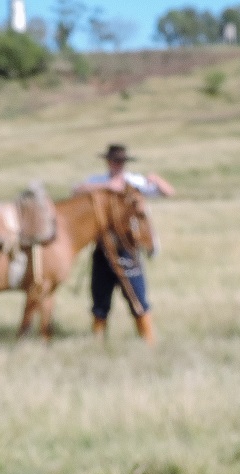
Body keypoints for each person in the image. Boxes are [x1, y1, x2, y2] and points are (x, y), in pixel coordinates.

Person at [75, 144, 174, 344]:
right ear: (108, 162)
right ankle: (98, 340)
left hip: (128, 248)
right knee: (100, 297)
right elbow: (77, 190)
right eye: (114, 161)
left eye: (120, 162)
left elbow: (168, 192)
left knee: (137, 295)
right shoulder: (98, 181)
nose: (117, 165)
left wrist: (155, 179)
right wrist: (106, 187)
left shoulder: (134, 182)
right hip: (103, 248)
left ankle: (148, 340)